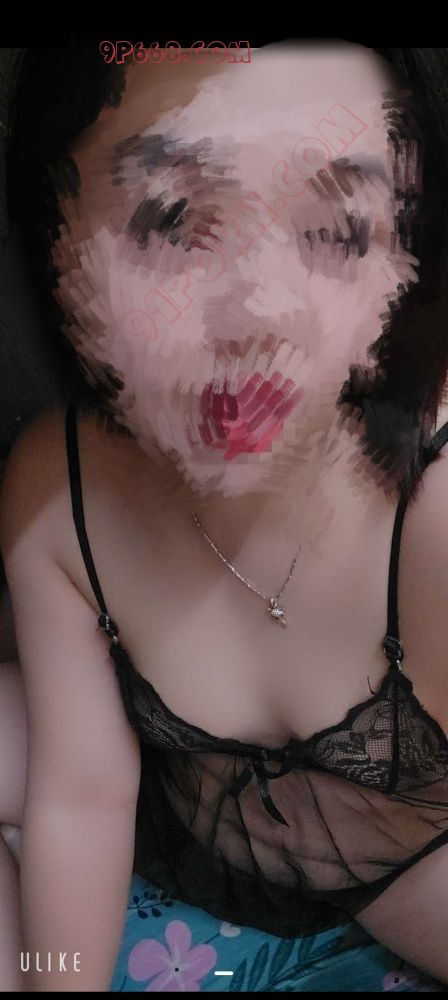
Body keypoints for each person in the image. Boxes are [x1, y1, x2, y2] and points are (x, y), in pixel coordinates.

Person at [1, 40, 448, 991]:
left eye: (337, 228)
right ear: (54, 237)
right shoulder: (59, 488)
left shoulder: (436, 503)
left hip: (401, 868)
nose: (258, 313)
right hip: (181, 799)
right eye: (170, 218)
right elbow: (81, 798)